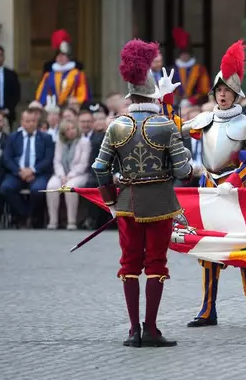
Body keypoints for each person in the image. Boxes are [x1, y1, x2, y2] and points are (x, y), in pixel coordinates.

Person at [91, 39, 192, 348]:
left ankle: (133, 330)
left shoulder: (116, 126)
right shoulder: (164, 125)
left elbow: (99, 168)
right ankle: (151, 329)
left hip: (126, 203)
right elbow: (184, 171)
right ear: (153, 95)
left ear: (130, 96)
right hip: (160, 201)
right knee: (157, 264)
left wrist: (110, 201)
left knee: (130, 263)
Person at [177, 40, 246, 328]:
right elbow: (173, 128)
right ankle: (207, 309)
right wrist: (164, 101)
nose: (222, 95)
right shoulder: (204, 118)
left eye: (227, 91)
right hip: (208, 187)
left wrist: (234, 179)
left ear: (235, 94)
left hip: (238, 191)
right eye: (219, 90)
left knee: (245, 249)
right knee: (208, 247)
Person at [0, 109, 55, 228]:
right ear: (22, 122)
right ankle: (24, 214)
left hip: (38, 173)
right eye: (28, 121)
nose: (31, 124)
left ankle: (32, 217)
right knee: (5, 188)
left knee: (38, 190)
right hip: (17, 173)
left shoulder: (46, 138)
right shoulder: (13, 137)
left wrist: (33, 170)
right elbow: (7, 159)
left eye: (34, 121)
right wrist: (20, 171)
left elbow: (48, 159)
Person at [45, 118, 91, 230]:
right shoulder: (60, 142)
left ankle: (71, 221)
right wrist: (61, 176)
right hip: (62, 174)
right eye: (68, 129)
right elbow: (57, 161)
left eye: (73, 128)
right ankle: (53, 221)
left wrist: (70, 176)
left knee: (69, 187)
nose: (71, 131)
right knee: (51, 186)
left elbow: (83, 164)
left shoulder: (84, 142)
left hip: (79, 174)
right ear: (63, 132)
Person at [36, 30, 90, 107]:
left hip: (72, 108)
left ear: (69, 58)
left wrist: (76, 101)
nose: (60, 57)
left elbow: (83, 94)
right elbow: (42, 93)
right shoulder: (48, 75)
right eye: (58, 55)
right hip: (52, 108)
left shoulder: (78, 74)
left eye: (63, 55)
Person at [171, 27, 211, 106]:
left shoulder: (200, 69)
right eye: (182, 52)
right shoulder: (171, 70)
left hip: (195, 106)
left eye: (187, 52)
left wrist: (192, 101)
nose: (184, 55)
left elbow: (205, 90)